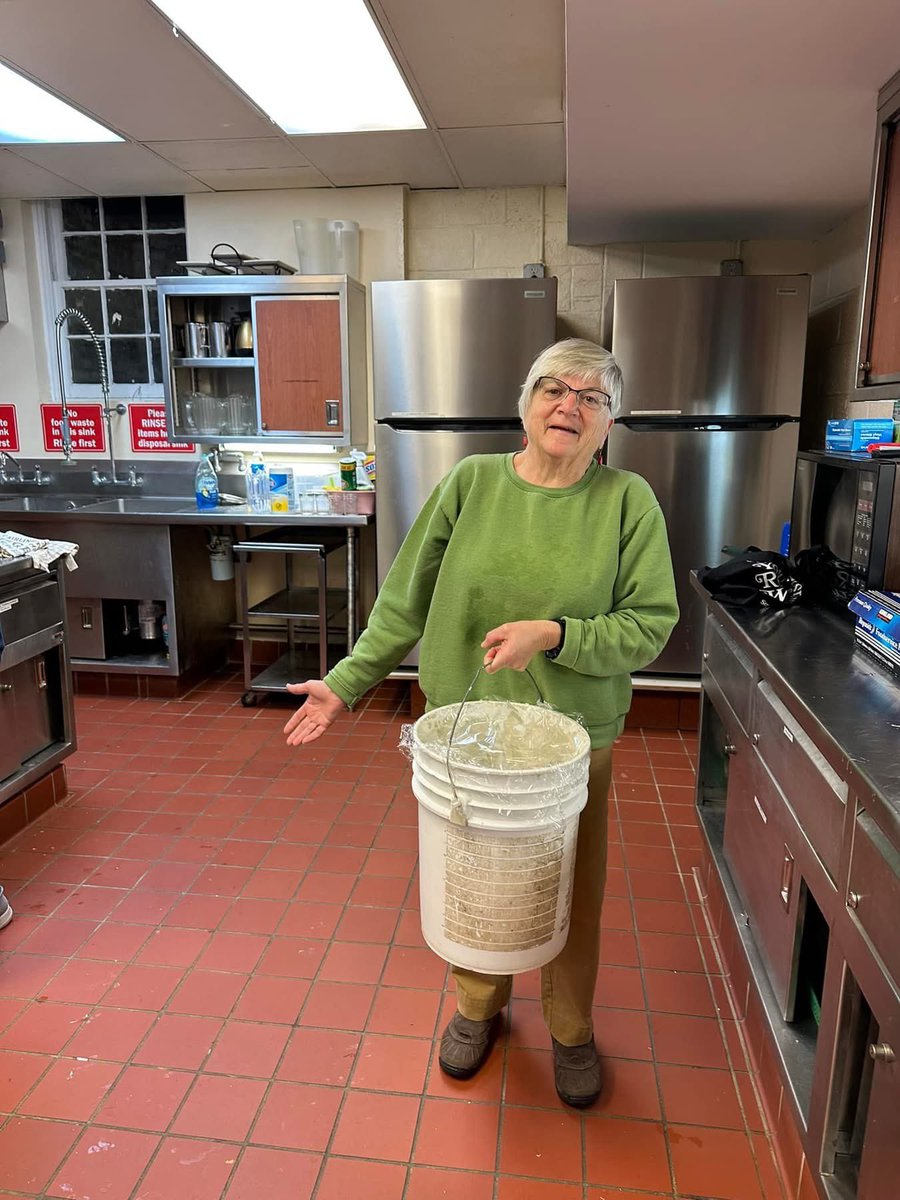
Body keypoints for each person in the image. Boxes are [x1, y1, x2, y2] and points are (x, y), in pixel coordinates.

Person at [284, 337, 678, 1107]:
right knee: (474, 880)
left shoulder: (627, 501)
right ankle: (478, 1006)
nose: (570, 405)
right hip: (466, 736)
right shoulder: (470, 484)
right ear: (526, 404)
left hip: (573, 739)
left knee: (571, 886)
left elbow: (651, 625)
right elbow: (404, 599)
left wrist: (556, 634)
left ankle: (570, 1028)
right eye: (554, 389)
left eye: (592, 397)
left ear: (609, 422)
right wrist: (345, 684)